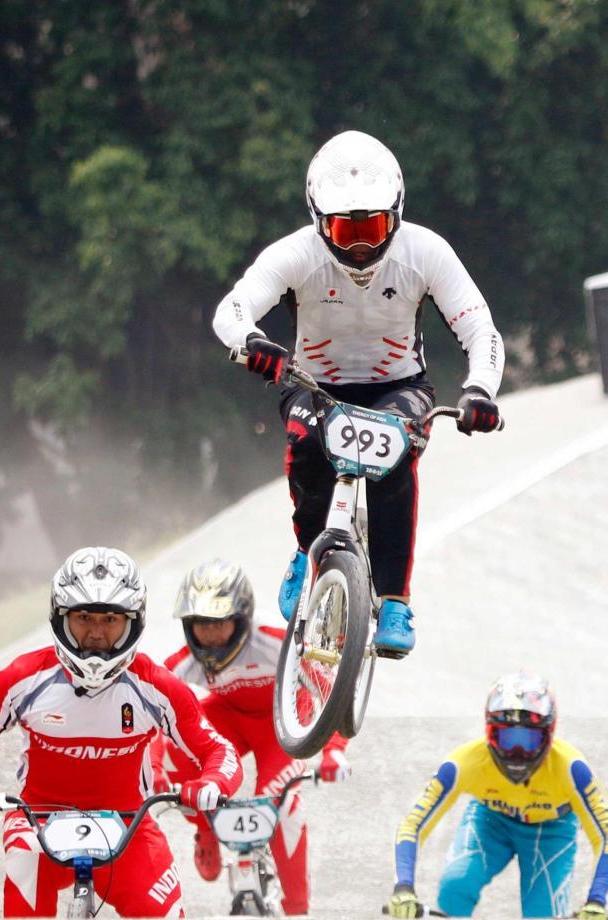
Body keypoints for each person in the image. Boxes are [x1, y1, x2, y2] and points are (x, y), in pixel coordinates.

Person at [212, 129, 504, 659]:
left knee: (394, 465)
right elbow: (231, 310)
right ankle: (306, 551)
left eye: (374, 227)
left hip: (401, 387)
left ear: (397, 213)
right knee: (306, 445)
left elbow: (481, 329)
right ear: (319, 221)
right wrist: (252, 341)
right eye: (347, 229)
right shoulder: (293, 253)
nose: (362, 245)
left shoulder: (427, 251)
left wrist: (479, 390)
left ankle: (394, 599)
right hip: (313, 384)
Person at [0, 546, 243, 919]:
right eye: (83, 617)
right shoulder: (23, 678)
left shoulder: (158, 687)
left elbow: (219, 751)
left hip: (129, 824)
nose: (96, 633)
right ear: (60, 617)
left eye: (111, 619)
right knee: (23, 908)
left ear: (133, 622)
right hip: (38, 820)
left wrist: (212, 784)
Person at [149, 557, 351, 915]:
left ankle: (296, 911)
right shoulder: (183, 662)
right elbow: (150, 710)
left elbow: (333, 688)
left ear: (241, 618)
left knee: (282, 807)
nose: (209, 634)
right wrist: (154, 771)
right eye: (200, 624)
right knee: (171, 748)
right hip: (230, 719)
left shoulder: (276, 642)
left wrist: (333, 750)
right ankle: (206, 830)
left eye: (219, 622)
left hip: (282, 726)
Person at [386, 670, 608, 920]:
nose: (517, 752)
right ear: (489, 732)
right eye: (507, 739)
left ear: (549, 734)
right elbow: (413, 825)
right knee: (455, 888)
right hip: (491, 822)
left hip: (551, 832)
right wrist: (403, 887)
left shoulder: (572, 768)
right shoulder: (463, 763)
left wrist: (597, 900)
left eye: (529, 740)